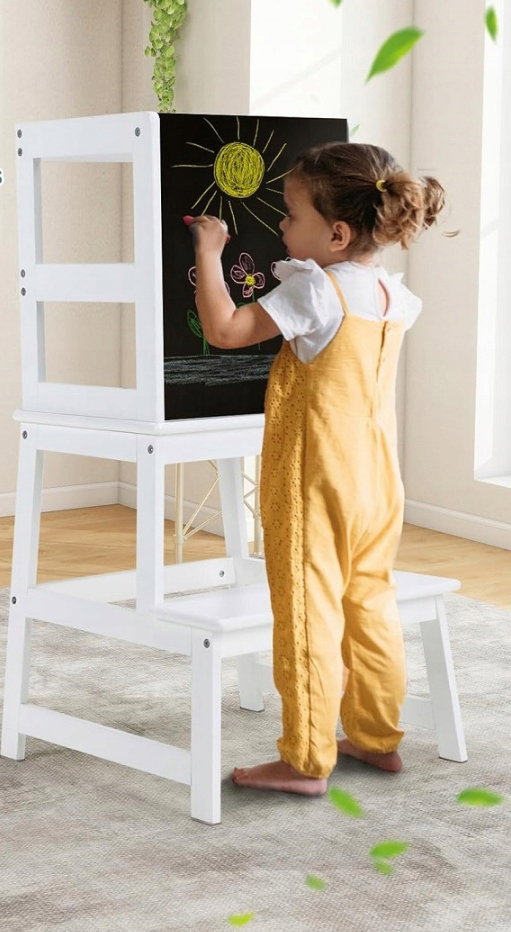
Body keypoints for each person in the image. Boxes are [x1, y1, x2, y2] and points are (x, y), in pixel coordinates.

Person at [187, 142, 447, 797]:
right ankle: (376, 737)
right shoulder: (391, 294)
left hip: (317, 477)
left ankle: (305, 758)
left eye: (291, 214)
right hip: (376, 477)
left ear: (335, 234)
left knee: (308, 610)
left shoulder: (315, 290)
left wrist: (210, 252)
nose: (281, 225)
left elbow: (225, 330)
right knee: (370, 602)